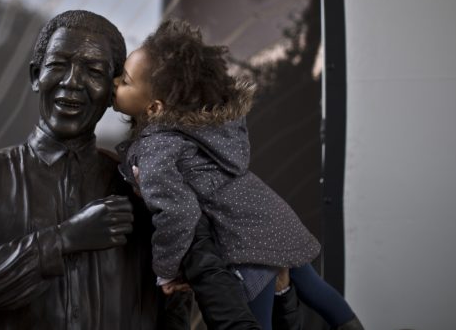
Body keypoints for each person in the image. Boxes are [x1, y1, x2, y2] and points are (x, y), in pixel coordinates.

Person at [0, 10, 185, 329]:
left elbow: (173, 309)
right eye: (58, 65)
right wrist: (61, 240)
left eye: (93, 70)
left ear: (111, 91)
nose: (72, 82)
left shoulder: (144, 190)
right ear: (36, 75)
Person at [112, 19, 364, 330]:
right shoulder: (202, 133)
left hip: (244, 241)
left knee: (251, 321)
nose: (114, 84)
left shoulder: (157, 147)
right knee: (315, 290)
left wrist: (166, 268)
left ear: (154, 108)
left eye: (124, 81)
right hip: (271, 216)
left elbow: (178, 211)